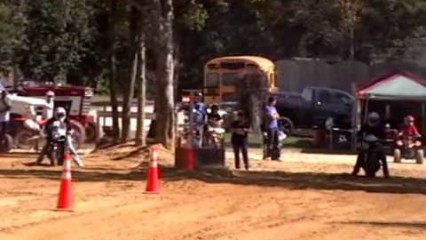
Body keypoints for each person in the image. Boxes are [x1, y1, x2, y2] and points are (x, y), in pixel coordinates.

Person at [352, 112, 389, 177]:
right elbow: (360, 133)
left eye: (374, 120)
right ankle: (355, 171)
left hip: (376, 143)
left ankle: (386, 173)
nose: (372, 121)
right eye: (371, 119)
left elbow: (384, 136)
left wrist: (382, 140)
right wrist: (359, 138)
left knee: (383, 156)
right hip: (366, 142)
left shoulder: (380, 127)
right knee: (361, 154)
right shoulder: (365, 126)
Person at [263, 96, 280, 160]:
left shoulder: (274, 108)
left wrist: (275, 116)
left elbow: (278, 116)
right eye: (275, 101)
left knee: (276, 142)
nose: (275, 102)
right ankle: (268, 155)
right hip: (270, 127)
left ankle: (276, 156)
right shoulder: (267, 108)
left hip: (275, 126)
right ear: (272, 101)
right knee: (270, 142)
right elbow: (271, 117)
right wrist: (274, 116)